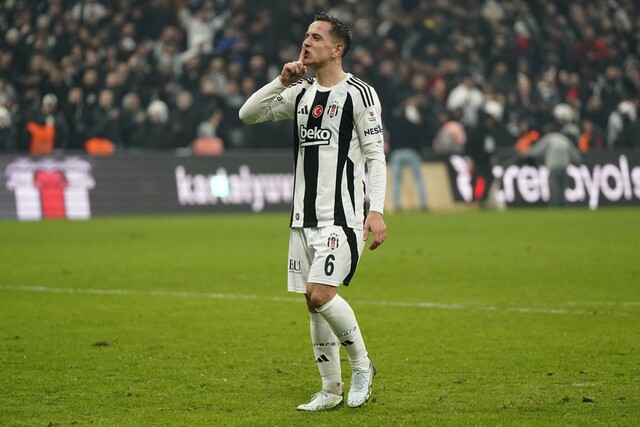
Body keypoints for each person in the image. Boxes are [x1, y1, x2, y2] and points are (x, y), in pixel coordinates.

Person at [239, 12, 387, 411]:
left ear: (337, 49)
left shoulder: (359, 93)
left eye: (316, 37)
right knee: (313, 303)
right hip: (302, 219)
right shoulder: (301, 92)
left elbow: (375, 156)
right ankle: (330, 389)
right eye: (306, 35)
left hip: (343, 217)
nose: (306, 42)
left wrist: (376, 210)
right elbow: (248, 114)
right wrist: (280, 82)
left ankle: (362, 366)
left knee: (320, 294)